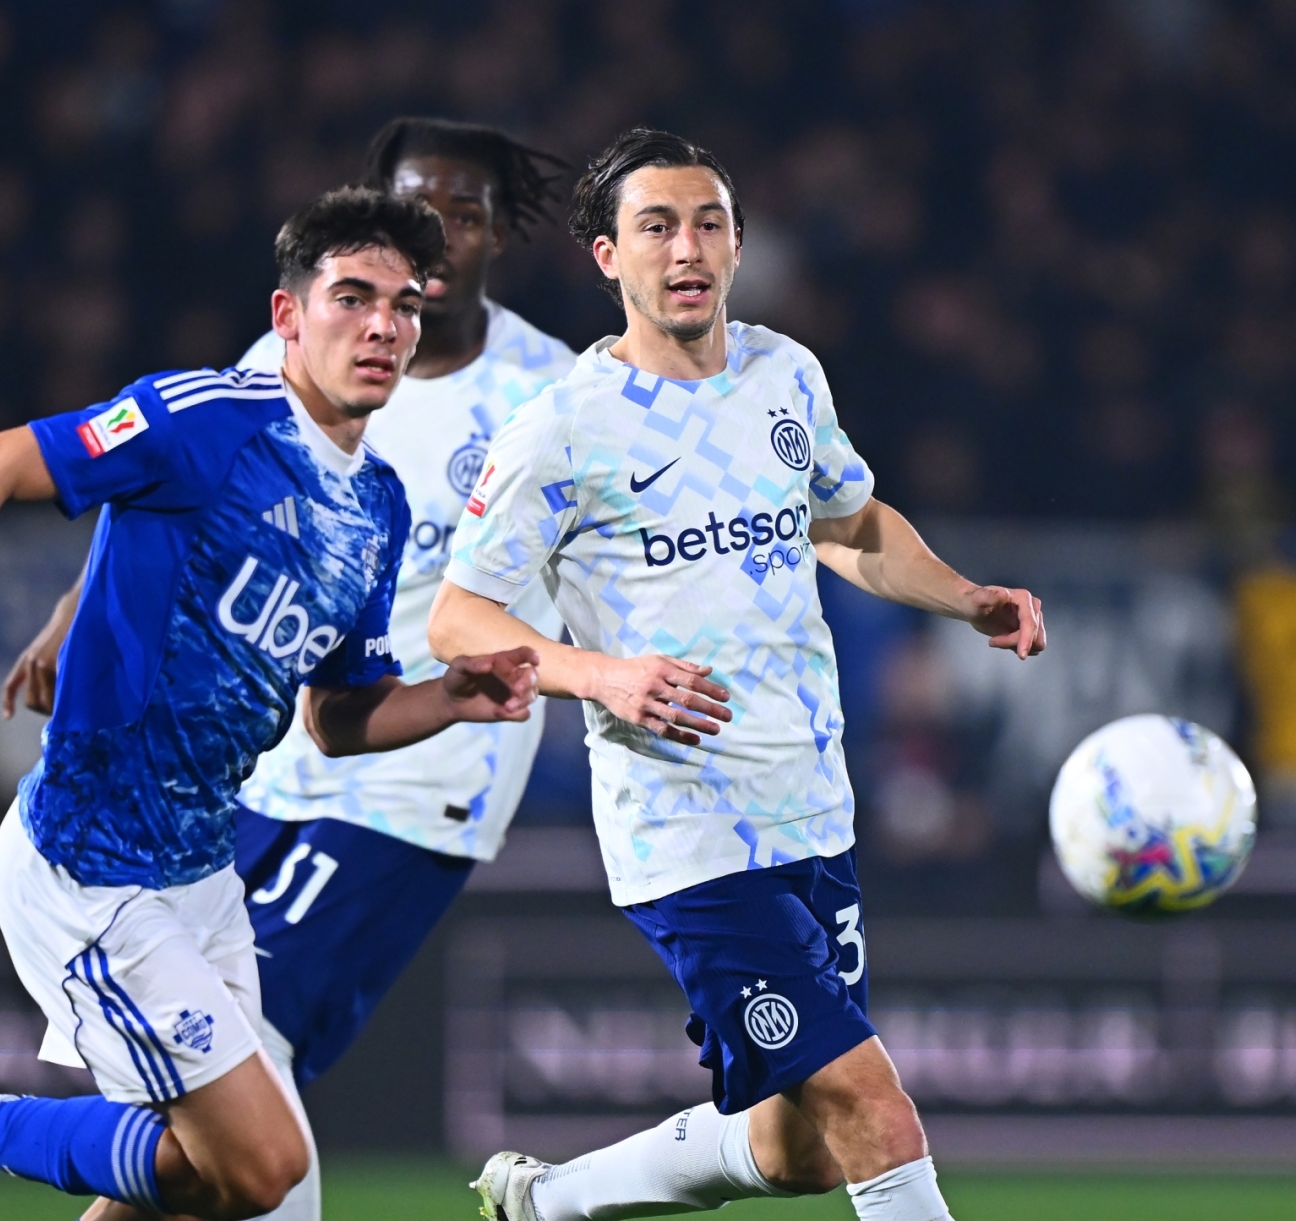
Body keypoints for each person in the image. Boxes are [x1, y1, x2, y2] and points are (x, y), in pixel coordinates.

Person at [0, 187, 540, 1221]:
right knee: (261, 1169)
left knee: (203, 1190)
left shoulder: (379, 504)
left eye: (404, 306)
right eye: (352, 298)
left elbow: (336, 716)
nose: (384, 327)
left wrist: (449, 698)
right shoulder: (205, 417)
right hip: (87, 864)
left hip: (202, 873)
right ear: (288, 316)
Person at [427, 130, 1047, 1221]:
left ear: (740, 244)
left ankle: (551, 1204)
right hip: (688, 829)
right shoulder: (566, 429)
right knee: (874, 1106)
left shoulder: (782, 374)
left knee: (799, 1145)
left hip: (809, 806)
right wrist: (600, 676)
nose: (687, 248)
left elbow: (848, 523)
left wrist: (965, 597)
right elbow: (457, 618)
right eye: (657, 227)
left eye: (709, 223)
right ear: (606, 257)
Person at [2, 118, 576, 1220]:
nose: (443, 234)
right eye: (423, 206)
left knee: (246, 1091)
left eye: (466, 212)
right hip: (270, 765)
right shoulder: (299, 349)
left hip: (408, 790)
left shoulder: (546, 394)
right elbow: (174, 480)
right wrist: (75, 606)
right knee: (216, 1120)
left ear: (500, 231)